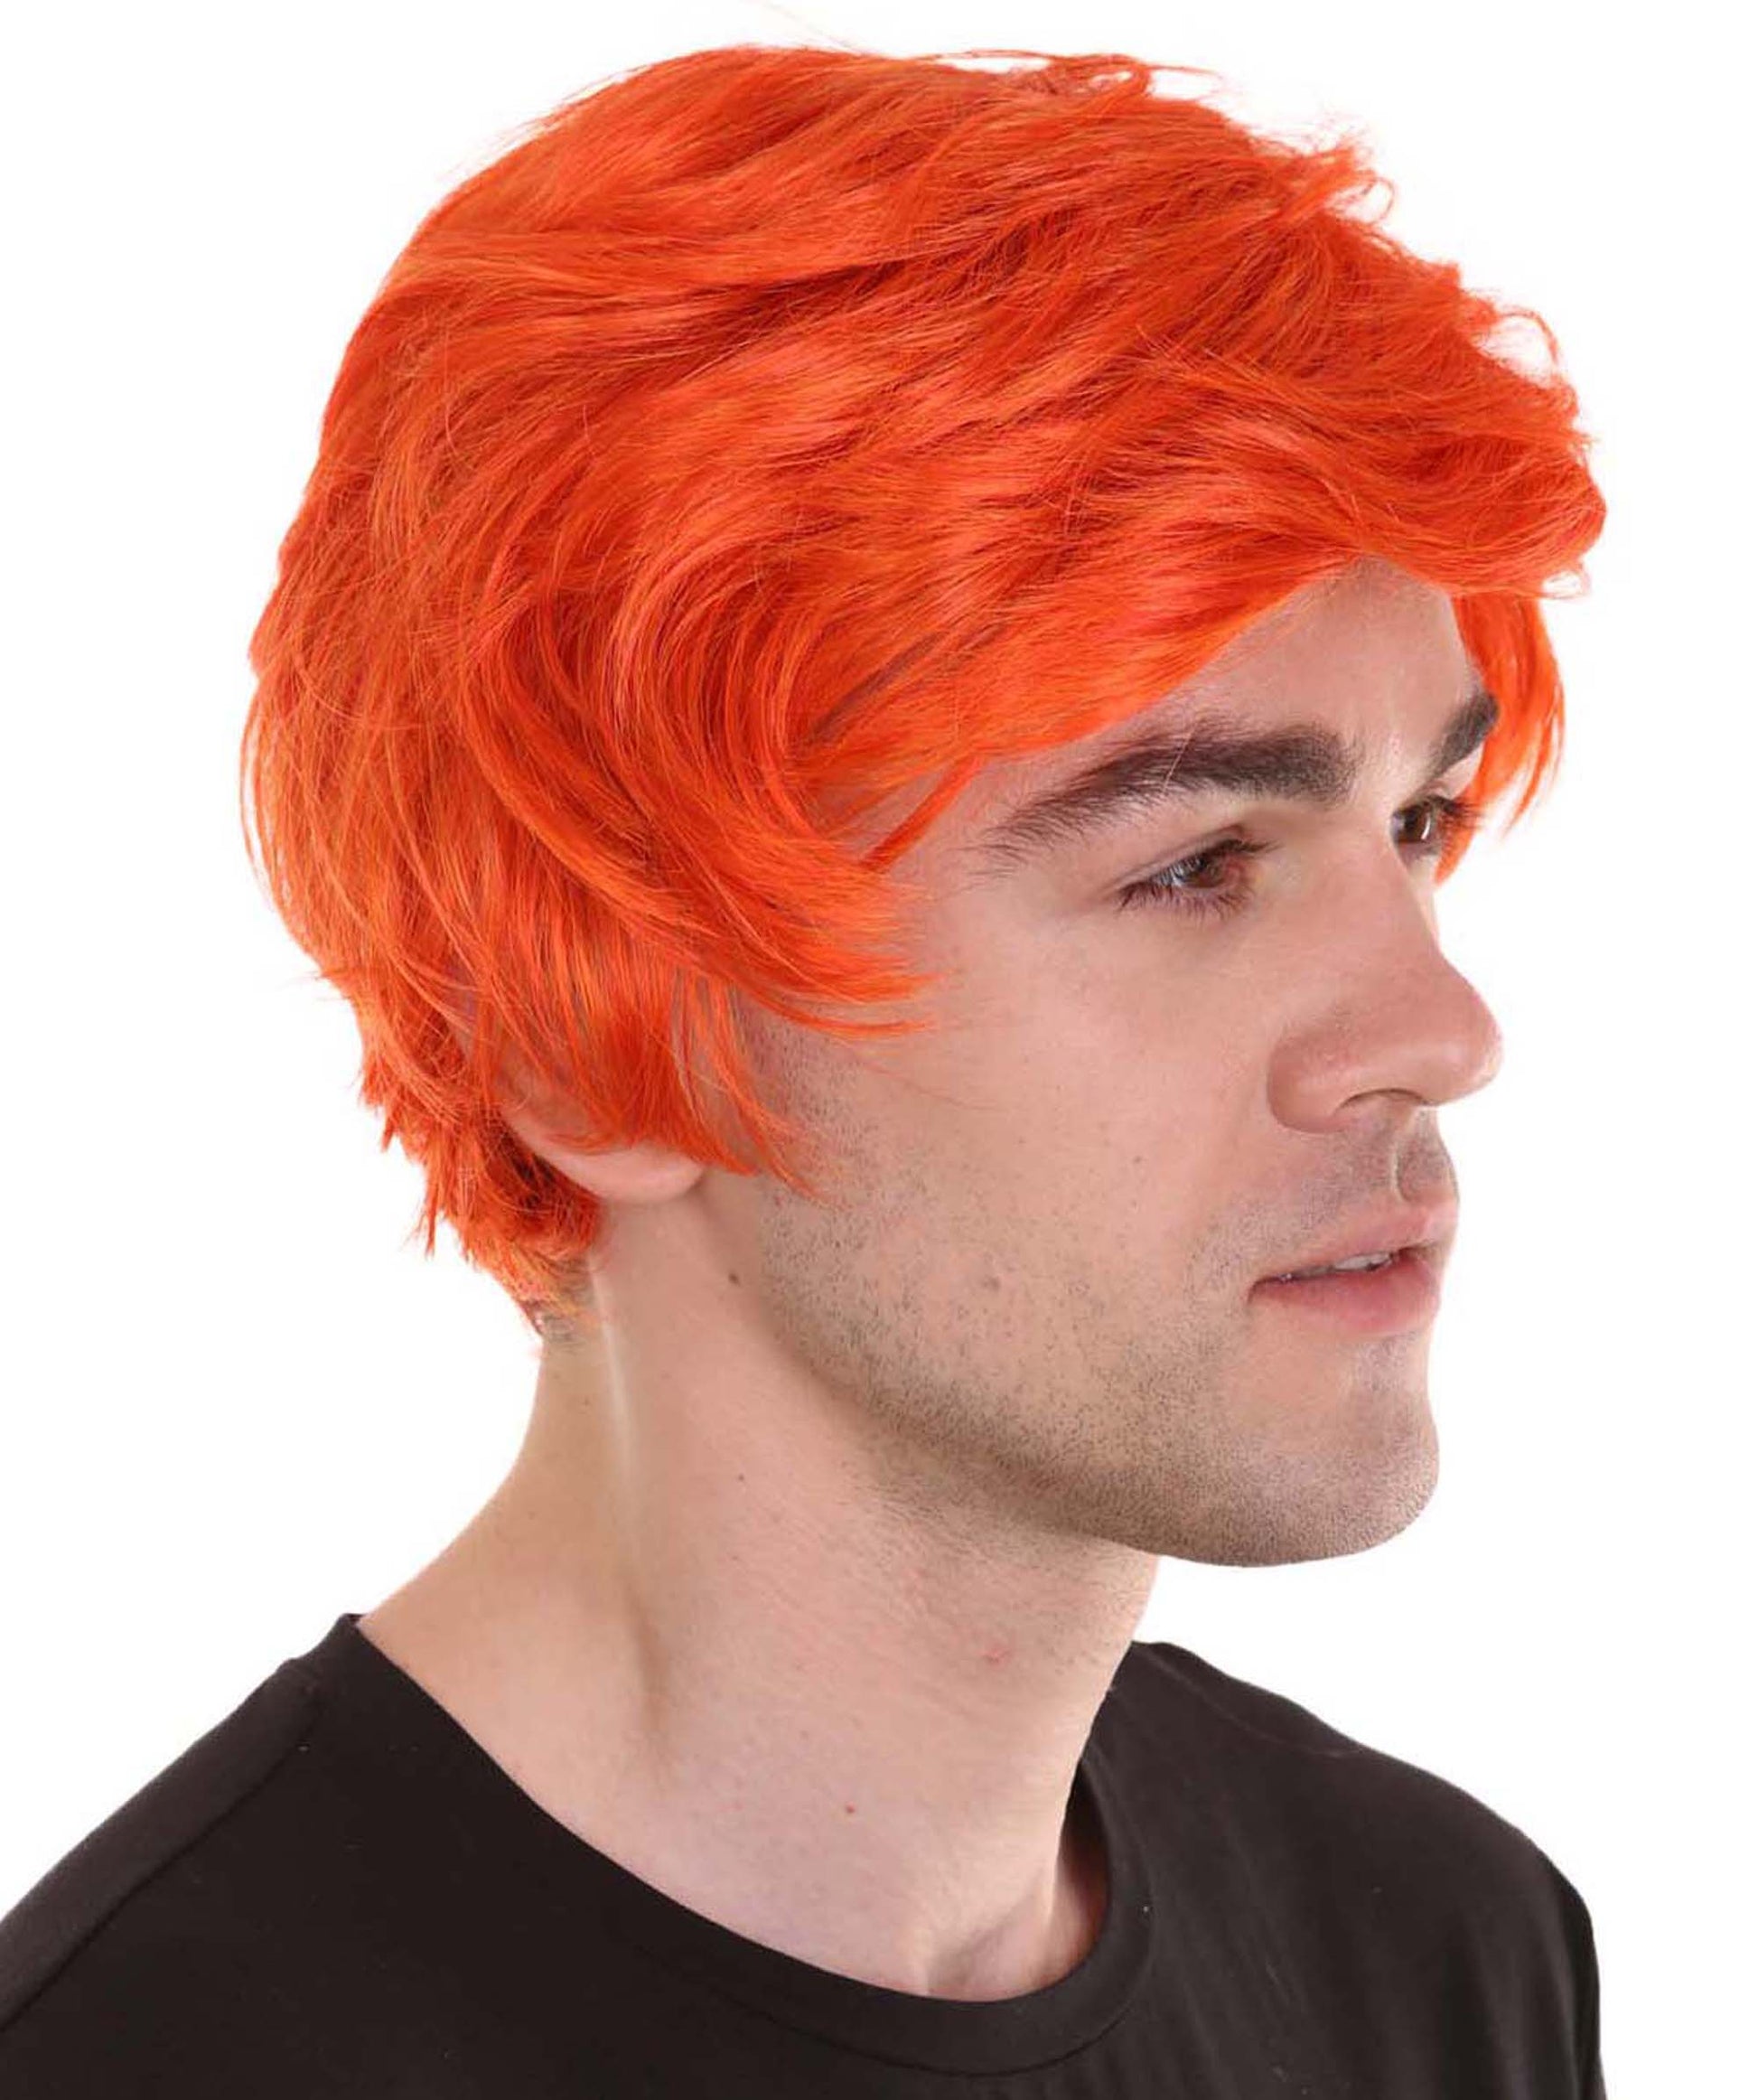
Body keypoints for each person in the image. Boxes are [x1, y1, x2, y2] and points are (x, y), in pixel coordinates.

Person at [0, 41, 1609, 2097]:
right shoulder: (153, 2057)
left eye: (1417, 823)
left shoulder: (1437, 1953)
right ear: (601, 1036)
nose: (1441, 1030)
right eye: (1194, 863)